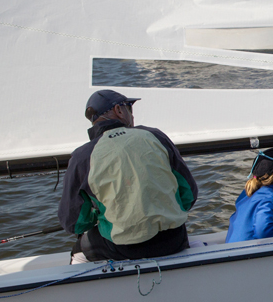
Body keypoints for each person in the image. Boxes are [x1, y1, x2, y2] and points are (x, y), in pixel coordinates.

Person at [59, 90, 198, 264]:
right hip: (174, 240)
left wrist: (98, 214)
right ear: (118, 110)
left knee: (78, 251)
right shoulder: (156, 136)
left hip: (122, 249)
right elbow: (189, 196)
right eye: (130, 108)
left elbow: (74, 223)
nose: (132, 116)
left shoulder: (82, 157)